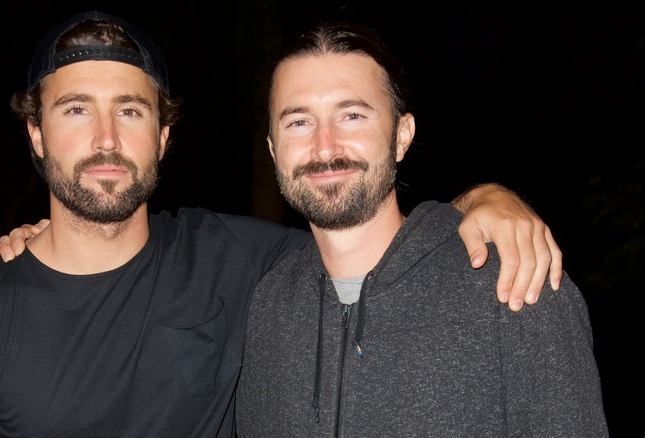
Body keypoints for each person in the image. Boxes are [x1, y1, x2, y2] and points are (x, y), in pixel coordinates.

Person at [0, 11, 562, 437]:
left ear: (162, 135)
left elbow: (360, 229)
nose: (105, 139)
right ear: (36, 133)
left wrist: (484, 198)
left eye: (130, 111)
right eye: (76, 110)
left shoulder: (242, 261)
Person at [235, 20, 607, 437]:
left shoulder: (512, 282)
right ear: (272, 149)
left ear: (401, 136)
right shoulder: (269, 305)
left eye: (352, 115)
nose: (325, 147)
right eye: (299, 122)